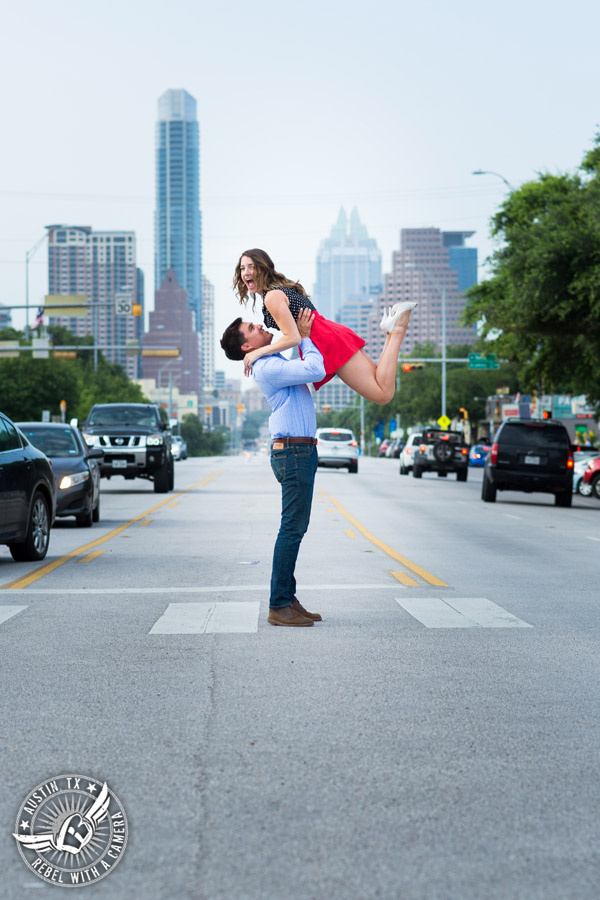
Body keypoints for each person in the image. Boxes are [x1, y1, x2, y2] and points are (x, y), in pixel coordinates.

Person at [220, 309, 324, 627]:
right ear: (246, 347)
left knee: (296, 528)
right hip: (293, 452)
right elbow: (315, 368)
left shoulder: (268, 360)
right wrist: (304, 336)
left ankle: (288, 598)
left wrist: (290, 339)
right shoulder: (267, 367)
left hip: (297, 450)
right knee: (291, 529)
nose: (259, 325)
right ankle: (279, 605)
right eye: (251, 328)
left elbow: (286, 345)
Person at [233, 248, 416, 404]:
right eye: (242, 268)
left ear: (262, 268)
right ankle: (392, 331)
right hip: (328, 333)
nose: (246, 272)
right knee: (380, 384)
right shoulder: (276, 290)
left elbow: (293, 337)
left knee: (382, 394)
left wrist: (258, 352)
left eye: (251, 267)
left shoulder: (272, 296)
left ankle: (397, 330)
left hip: (325, 340)